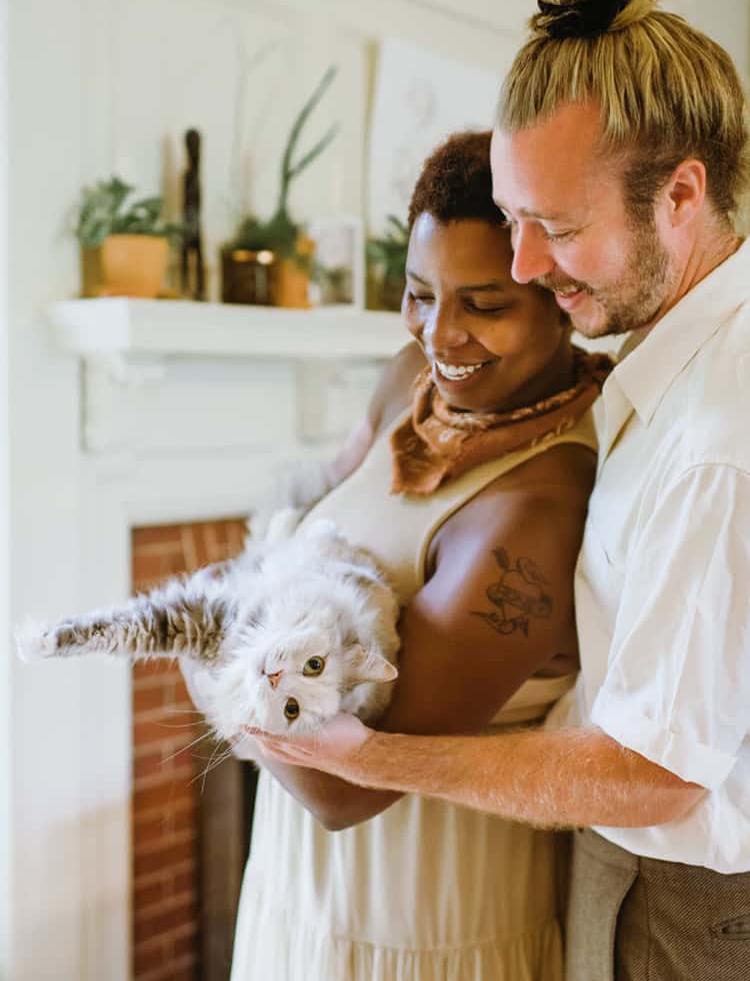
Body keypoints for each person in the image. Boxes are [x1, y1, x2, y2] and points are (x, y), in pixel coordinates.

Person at [255, 0, 750, 979]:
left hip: (686, 912)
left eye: (556, 229)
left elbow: (652, 774)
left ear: (682, 196)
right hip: (603, 868)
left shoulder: (718, 438)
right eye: (516, 222)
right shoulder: (648, 373)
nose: (530, 265)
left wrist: (369, 754)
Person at [224, 130, 611, 980]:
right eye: (418, 292)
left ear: (562, 297)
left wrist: (207, 634)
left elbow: (342, 789)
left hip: (422, 923)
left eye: (486, 303)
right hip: (299, 890)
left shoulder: (533, 512)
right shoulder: (413, 380)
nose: (442, 333)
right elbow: (312, 500)